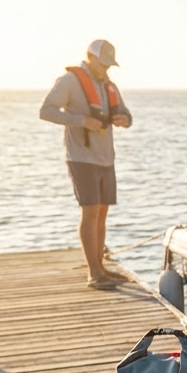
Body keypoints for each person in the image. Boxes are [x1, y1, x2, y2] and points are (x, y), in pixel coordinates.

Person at [39, 39, 133, 290]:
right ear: (90, 58)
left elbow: (125, 112)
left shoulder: (109, 85)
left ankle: (102, 267)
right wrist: (81, 120)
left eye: (109, 65)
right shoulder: (69, 81)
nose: (106, 69)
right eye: (103, 64)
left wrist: (125, 119)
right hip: (81, 158)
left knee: (102, 212)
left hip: (106, 158)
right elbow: (46, 111)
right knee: (90, 211)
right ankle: (93, 273)